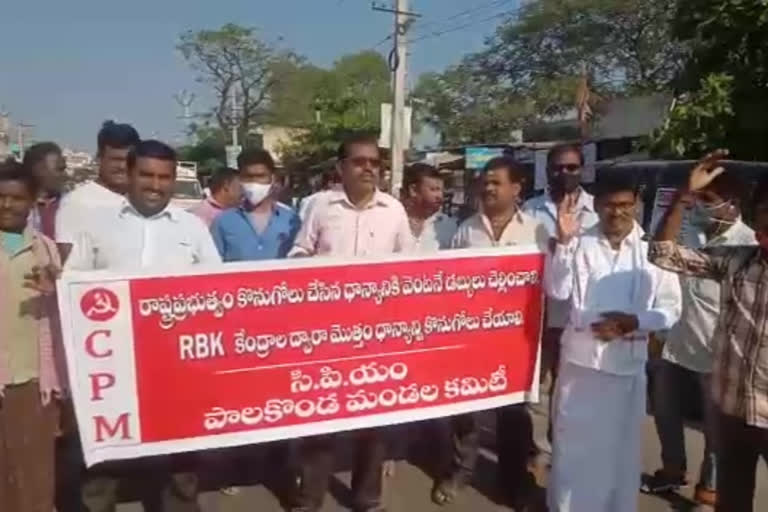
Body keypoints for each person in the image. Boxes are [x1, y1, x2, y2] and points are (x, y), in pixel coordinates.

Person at [66, 140, 220, 512]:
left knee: (180, 462)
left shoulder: (193, 228)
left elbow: (216, 289)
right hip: (112, 363)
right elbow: (73, 285)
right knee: (104, 459)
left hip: (175, 363)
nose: (156, 184)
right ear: (130, 176)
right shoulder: (96, 226)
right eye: (147, 175)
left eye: (164, 177)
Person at [288, 134, 414, 512]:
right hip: (326, 336)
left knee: (373, 424)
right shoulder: (320, 208)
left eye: (374, 162)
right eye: (359, 162)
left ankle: (367, 498)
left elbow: (409, 268)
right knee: (320, 422)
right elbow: (298, 253)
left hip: (376, 336)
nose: (368, 169)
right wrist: (323, 276)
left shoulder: (393, 210)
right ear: (340, 167)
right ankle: (309, 499)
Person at [546, 174, 682, 512]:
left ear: (636, 204)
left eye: (625, 205)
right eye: (609, 205)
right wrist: (562, 244)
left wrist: (633, 323)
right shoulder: (577, 241)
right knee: (573, 450)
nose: (617, 212)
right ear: (596, 205)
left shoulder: (654, 248)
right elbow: (558, 291)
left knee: (620, 453)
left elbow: (671, 310)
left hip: (627, 371)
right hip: (581, 370)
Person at [649, 151, 768, 512]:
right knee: (731, 502)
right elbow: (662, 254)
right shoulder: (736, 258)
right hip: (730, 412)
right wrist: (684, 196)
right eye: (765, 212)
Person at [432, 156, 548, 509]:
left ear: (516, 188)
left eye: (497, 182)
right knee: (466, 414)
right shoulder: (465, 230)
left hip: (519, 339)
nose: (488, 187)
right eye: (485, 181)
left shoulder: (538, 230)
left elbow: (554, 283)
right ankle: (459, 473)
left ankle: (514, 481)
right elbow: (449, 282)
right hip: (473, 338)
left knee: (513, 416)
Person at [0, 160, 64, 512]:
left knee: (36, 473)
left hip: (34, 380)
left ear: (33, 200)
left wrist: (56, 290)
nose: (7, 205)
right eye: (0, 197)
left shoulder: (46, 249)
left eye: (16, 198)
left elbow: (61, 315)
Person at [522, 144, 598, 435]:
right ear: (547, 171)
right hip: (539, 317)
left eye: (571, 168)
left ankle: (567, 450)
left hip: (581, 318)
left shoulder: (596, 212)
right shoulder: (530, 211)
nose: (564, 173)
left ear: (582, 170)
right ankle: (538, 455)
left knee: (574, 391)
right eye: (557, 168)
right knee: (538, 391)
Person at [56, 120, 140, 258]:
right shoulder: (76, 203)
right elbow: (69, 264)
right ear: (99, 158)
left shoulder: (143, 202)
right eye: (115, 159)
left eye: (128, 160)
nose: (122, 166)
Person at [211, 149, 300, 261]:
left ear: (272, 178)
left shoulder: (291, 220)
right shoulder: (223, 222)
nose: (254, 182)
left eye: (260, 176)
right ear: (240, 179)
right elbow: (213, 265)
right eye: (248, 177)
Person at [402, 163, 457, 251]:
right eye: (434, 189)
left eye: (441, 190)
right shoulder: (394, 221)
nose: (440, 196)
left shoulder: (448, 225)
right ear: (413, 190)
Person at [22, 142, 67, 240]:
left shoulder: (71, 205)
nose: (65, 175)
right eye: (60, 169)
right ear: (38, 170)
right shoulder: (14, 207)